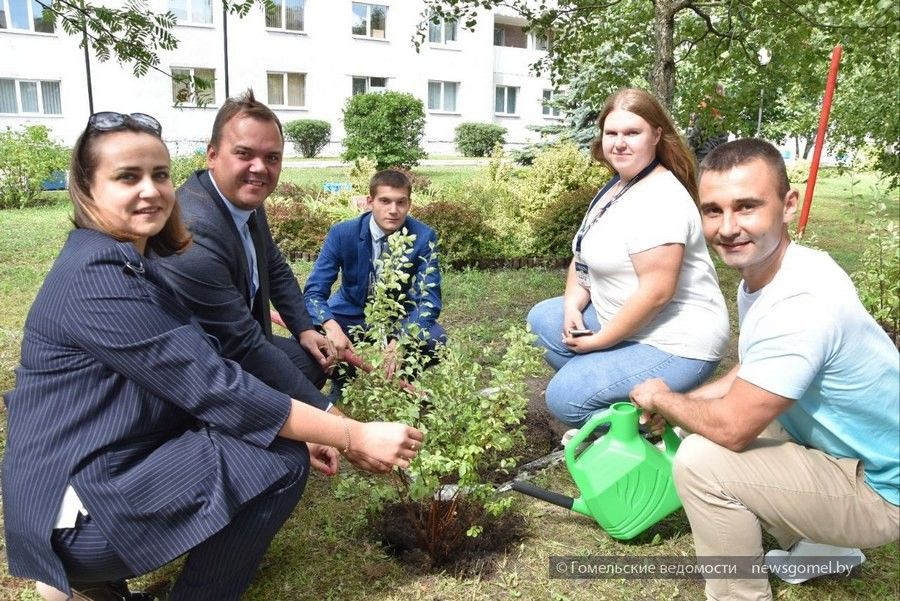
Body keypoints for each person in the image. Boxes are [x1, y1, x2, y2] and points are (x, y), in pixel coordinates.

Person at [1, 112, 423, 601]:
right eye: (126, 177)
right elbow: (219, 383)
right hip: (73, 511)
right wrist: (352, 433)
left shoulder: (117, 256)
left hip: (89, 468)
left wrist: (305, 364)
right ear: (86, 187)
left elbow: (207, 360)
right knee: (281, 457)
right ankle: (111, 576)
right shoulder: (101, 281)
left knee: (269, 423)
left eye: (159, 174)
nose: (152, 190)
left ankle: (95, 585)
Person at [630, 139, 899, 601]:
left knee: (703, 461)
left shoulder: (800, 302)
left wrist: (662, 398)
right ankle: (821, 551)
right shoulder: (778, 269)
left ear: (788, 205)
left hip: (883, 493)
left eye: (747, 207)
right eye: (713, 211)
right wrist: (688, 405)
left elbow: (734, 429)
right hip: (855, 458)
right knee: (706, 426)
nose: (728, 228)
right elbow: (755, 369)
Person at [527, 87, 729, 431]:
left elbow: (657, 292)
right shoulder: (619, 185)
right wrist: (573, 306)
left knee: (564, 398)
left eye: (632, 133)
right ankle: (616, 393)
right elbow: (583, 253)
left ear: (656, 135)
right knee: (544, 318)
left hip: (676, 341)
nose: (620, 143)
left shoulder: (659, 198)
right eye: (612, 133)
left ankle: (661, 425)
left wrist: (600, 342)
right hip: (630, 324)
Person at [156, 90, 333, 420]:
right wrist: (335, 421)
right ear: (212, 155)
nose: (260, 169)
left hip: (238, 343)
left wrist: (306, 329)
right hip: (198, 369)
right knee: (285, 450)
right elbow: (244, 346)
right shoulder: (193, 231)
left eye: (272, 158)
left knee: (311, 362)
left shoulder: (242, 200)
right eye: (244, 154)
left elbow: (274, 267)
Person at [303, 169, 445, 389]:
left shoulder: (423, 237)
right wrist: (331, 326)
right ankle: (343, 381)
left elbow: (429, 301)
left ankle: (399, 383)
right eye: (385, 201)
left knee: (436, 339)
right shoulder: (343, 233)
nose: (393, 210)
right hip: (350, 311)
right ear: (370, 202)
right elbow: (313, 292)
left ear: (409, 204)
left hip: (398, 315)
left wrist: (402, 340)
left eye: (401, 202)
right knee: (308, 339)